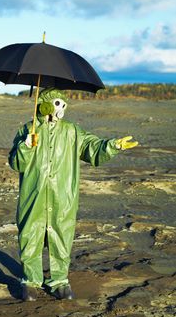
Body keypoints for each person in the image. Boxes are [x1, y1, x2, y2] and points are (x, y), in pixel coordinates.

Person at [8, 87, 138, 301]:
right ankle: (31, 281)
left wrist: (113, 146)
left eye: (64, 104)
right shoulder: (27, 130)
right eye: (58, 103)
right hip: (33, 195)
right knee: (30, 236)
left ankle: (59, 281)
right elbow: (16, 163)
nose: (62, 108)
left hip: (63, 196)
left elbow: (92, 148)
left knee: (61, 235)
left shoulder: (72, 131)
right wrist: (26, 146)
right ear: (46, 104)